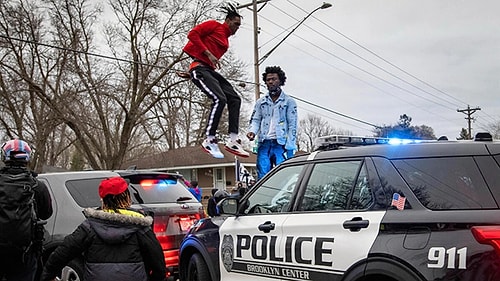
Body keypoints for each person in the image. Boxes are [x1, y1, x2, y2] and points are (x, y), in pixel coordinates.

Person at [40, 177, 166, 281]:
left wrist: (47, 276)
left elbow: (63, 252)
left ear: (103, 200)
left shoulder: (89, 226)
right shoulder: (140, 226)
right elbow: (157, 261)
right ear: (126, 197)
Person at [182, 3, 249, 159]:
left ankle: (233, 140)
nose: (237, 28)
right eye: (235, 24)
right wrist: (208, 54)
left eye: (239, 26)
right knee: (219, 99)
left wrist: (192, 73)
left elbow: (204, 59)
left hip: (207, 70)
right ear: (228, 21)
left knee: (234, 98)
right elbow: (192, 35)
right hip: (200, 68)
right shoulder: (214, 25)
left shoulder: (225, 41)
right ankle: (209, 139)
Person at [0, 139, 53, 281]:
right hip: (26, 251)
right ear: (27, 158)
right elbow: (47, 213)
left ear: (4, 157)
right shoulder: (37, 185)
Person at [247, 66, 298, 179]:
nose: (271, 81)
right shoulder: (261, 102)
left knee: (283, 176)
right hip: (264, 142)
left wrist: (289, 147)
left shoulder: (289, 102)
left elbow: (292, 125)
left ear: (280, 80)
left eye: (274, 79)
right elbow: (256, 119)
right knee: (263, 176)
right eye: (268, 79)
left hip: (282, 144)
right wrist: (252, 132)